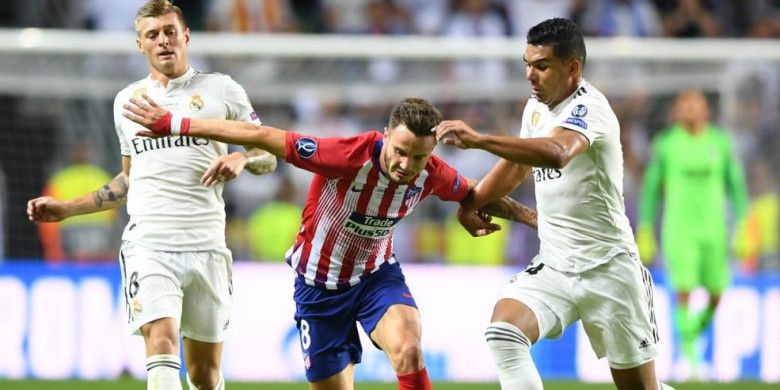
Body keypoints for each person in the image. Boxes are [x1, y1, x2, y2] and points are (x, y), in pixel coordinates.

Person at [123, 95, 537, 390]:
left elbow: (475, 195)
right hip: (318, 289)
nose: (406, 165)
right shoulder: (346, 155)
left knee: (409, 350)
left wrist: (531, 217)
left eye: (418, 157)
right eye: (400, 151)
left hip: (377, 279)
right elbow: (262, 134)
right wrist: (175, 124)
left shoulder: (433, 173)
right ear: (387, 136)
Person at [26, 1, 276, 389]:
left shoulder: (222, 89)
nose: (163, 41)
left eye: (170, 32)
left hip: (207, 244)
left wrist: (241, 158)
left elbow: (268, 154)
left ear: (186, 36)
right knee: (160, 342)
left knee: (204, 374)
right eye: (153, 35)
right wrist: (68, 209)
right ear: (140, 44)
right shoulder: (127, 103)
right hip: (149, 244)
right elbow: (129, 179)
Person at [432, 18, 674, 390]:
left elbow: (557, 153)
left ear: (572, 67)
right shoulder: (536, 107)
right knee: (504, 333)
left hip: (609, 269)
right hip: (556, 265)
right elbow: (517, 163)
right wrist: (472, 202)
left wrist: (479, 140)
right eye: (527, 64)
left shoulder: (590, 108)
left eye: (541, 66)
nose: (531, 75)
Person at [636, 89, 749, 374]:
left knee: (717, 292)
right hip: (680, 228)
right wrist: (646, 226)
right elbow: (651, 188)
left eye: (695, 105)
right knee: (684, 290)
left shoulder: (719, 142)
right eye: (684, 105)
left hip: (715, 229)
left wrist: (745, 221)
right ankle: (691, 358)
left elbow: (734, 184)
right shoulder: (667, 144)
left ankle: (693, 332)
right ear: (676, 111)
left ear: (705, 110)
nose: (690, 110)